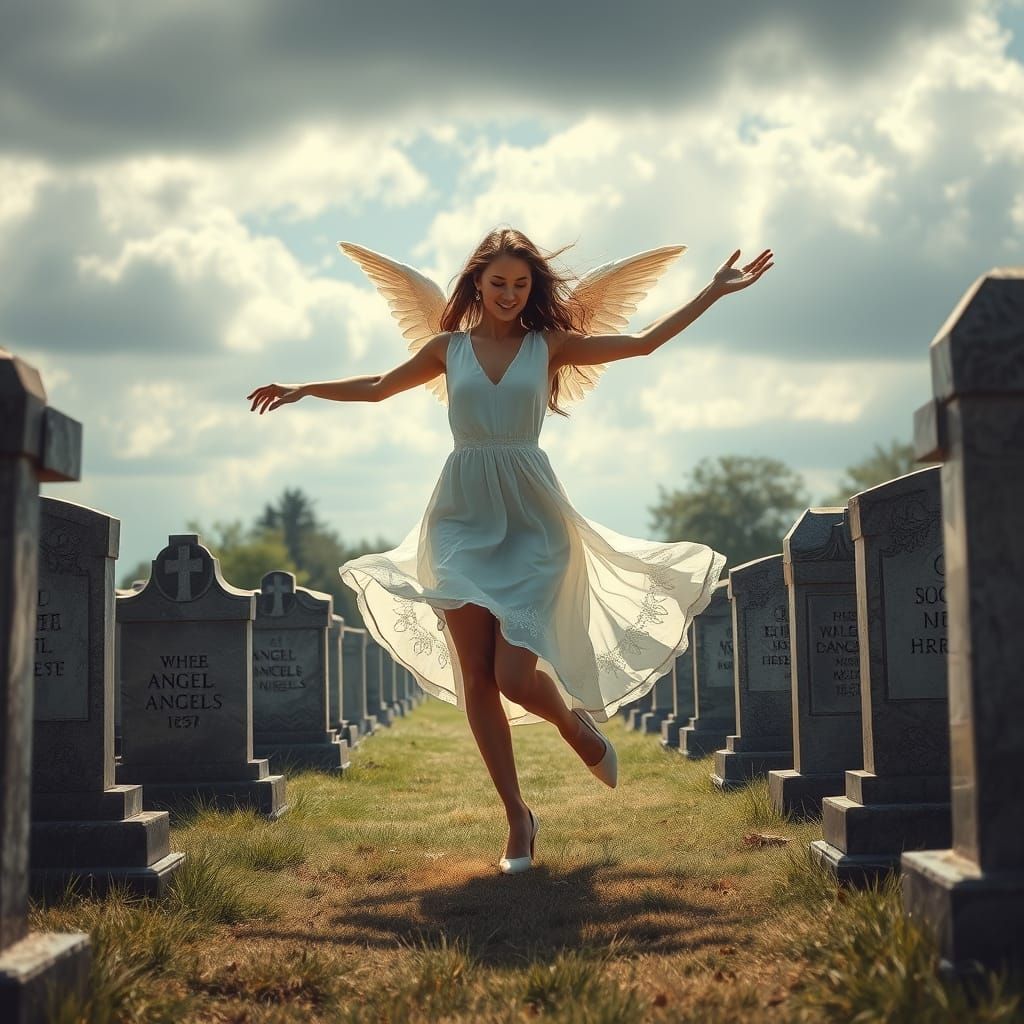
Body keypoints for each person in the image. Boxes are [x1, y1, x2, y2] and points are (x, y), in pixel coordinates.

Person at [247, 228, 772, 874]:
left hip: (531, 518)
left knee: (514, 677)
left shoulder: (549, 346)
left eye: (520, 285)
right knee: (475, 675)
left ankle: (576, 727)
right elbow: (381, 385)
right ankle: (517, 818)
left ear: (532, 289)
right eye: (497, 283)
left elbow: (643, 344)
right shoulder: (448, 349)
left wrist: (713, 293)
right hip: (461, 517)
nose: (509, 294)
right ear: (476, 284)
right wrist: (305, 388)